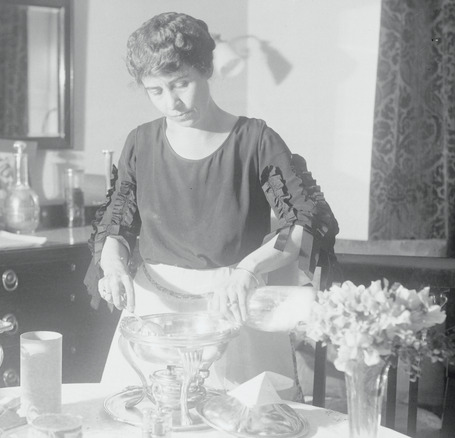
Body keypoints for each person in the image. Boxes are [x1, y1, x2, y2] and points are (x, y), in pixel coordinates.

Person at [85, 11, 339, 400]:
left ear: (205, 69)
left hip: (234, 307)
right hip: (155, 316)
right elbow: (116, 223)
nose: (172, 102)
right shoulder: (140, 142)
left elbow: (307, 218)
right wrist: (113, 264)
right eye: (156, 91)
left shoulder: (254, 139)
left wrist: (249, 269)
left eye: (181, 83)